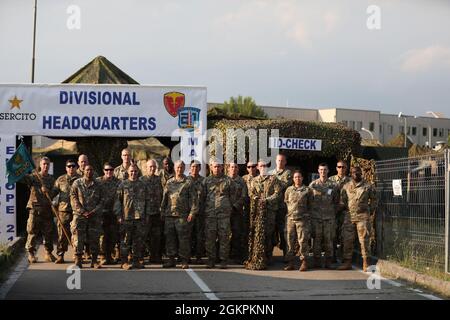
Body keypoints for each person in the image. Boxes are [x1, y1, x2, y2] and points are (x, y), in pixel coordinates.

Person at [338, 166, 377, 272]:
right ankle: (347, 262)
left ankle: (365, 262)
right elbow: (343, 200)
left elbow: (374, 200)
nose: (356, 174)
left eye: (358, 172)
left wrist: (369, 210)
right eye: (354, 172)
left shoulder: (368, 186)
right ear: (351, 174)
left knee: (364, 240)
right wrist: (344, 210)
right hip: (349, 217)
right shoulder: (346, 186)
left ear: (361, 173)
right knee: (347, 240)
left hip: (363, 217)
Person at [160, 160, 198, 269]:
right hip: (169, 215)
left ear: (184, 168)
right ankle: (171, 260)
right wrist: (162, 211)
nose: (179, 169)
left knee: (183, 239)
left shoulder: (188, 182)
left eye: (181, 167)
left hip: (182, 216)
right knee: (170, 238)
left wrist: (192, 213)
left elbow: (194, 200)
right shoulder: (169, 182)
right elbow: (164, 198)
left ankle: (184, 260)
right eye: (177, 167)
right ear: (174, 168)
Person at [246, 159, 282, 270]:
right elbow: (251, 193)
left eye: (265, 165)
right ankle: (258, 255)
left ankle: (268, 256)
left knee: (269, 233)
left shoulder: (273, 179)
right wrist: (258, 199)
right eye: (261, 165)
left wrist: (267, 200)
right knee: (257, 233)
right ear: (257, 167)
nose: (263, 167)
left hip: (270, 211)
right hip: (257, 211)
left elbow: (278, 193)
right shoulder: (254, 180)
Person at [20, 157, 57, 264]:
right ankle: (31, 254)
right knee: (32, 232)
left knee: (48, 233)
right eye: (44, 164)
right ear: (40, 165)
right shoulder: (33, 177)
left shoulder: (51, 179)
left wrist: (47, 191)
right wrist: (18, 170)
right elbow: (21, 179)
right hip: (34, 209)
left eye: (47, 164)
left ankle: (48, 253)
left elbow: (54, 193)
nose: (46, 166)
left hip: (46, 210)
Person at [114, 164, 150, 270]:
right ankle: (124, 262)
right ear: (128, 172)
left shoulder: (143, 185)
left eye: (135, 171)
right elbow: (117, 201)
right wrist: (118, 215)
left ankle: (136, 261)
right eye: (131, 171)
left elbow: (147, 200)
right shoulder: (123, 185)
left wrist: (146, 215)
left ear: (138, 172)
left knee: (138, 241)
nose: (133, 173)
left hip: (139, 218)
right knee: (125, 241)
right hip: (126, 218)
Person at [203, 159, 236, 269]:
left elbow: (233, 196)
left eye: (219, 166)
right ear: (211, 167)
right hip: (210, 215)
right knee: (210, 238)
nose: (217, 168)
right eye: (215, 166)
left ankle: (223, 260)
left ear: (222, 167)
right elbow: (202, 197)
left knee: (224, 238)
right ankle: (211, 260)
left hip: (224, 215)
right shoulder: (206, 181)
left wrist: (228, 208)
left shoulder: (228, 181)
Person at [70, 164, 103, 269]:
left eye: (91, 170)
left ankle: (94, 261)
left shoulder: (98, 184)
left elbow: (102, 200)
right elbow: (73, 197)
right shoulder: (77, 183)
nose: (89, 172)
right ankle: (78, 260)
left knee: (94, 238)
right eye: (87, 170)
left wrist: (94, 211)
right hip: (80, 215)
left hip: (94, 216)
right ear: (83, 171)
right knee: (78, 238)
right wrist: (82, 211)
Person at [309, 163, 339, 269]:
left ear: (328, 171)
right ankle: (317, 261)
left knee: (328, 240)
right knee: (316, 240)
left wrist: (332, 213)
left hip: (329, 218)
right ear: (318, 171)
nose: (323, 172)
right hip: (316, 218)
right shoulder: (313, 185)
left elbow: (337, 201)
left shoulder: (333, 185)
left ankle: (328, 262)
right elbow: (309, 200)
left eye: (325, 170)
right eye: (321, 170)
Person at [284, 170, 312, 271]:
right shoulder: (288, 190)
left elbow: (310, 204)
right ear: (293, 179)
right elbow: (286, 202)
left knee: (303, 241)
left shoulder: (307, 190)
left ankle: (304, 262)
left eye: (299, 177)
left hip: (302, 220)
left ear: (302, 178)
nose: (297, 179)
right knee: (289, 241)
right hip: (290, 219)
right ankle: (290, 262)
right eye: (295, 177)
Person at [53, 159, 81, 264]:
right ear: (66, 168)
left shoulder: (80, 179)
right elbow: (53, 192)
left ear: (76, 167)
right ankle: (60, 255)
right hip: (63, 211)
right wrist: (46, 192)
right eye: (69, 166)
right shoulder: (60, 180)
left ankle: (76, 254)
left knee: (76, 233)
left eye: (73, 166)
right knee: (62, 234)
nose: (71, 168)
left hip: (76, 211)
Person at [96, 162, 121, 265]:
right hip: (101, 213)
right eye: (107, 170)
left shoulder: (118, 182)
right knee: (102, 236)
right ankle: (102, 256)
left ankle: (109, 256)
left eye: (111, 170)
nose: (109, 172)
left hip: (113, 213)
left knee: (112, 236)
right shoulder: (98, 182)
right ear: (103, 171)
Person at [140, 159, 163, 264]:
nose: (152, 169)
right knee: (143, 236)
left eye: (154, 167)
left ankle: (155, 256)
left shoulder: (160, 180)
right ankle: (140, 257)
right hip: (146, 213)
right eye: (150, 167)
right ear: (146, 168)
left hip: (157, 213)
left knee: (156, 236)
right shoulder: (141, 180)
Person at [270, 154, 293, 259]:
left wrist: (274, 182)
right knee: (270, 230)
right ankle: (269, 254)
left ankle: (286, 255)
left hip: (282, 207)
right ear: (275, 161)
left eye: (282, 160)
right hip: (271, 206)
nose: (280, 162)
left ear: (285, 162)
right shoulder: (271, 173)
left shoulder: (287, 173)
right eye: (278, 160)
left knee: (283, 231)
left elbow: (284, 185)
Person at [329, 160, 351, 263]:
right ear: (336, 168)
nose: (341, 169)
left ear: (346, 168)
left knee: (344, 235)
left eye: (343, 167)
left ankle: (342, 255)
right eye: (339, 167)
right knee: (332, 234)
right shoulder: (330, 180)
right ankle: (332, 255)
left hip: (346, 212)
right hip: (333, 211)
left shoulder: (351, 181)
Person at [227, 162, 248, 264]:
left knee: (236, 233)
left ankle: (235, 255)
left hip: (236, 212)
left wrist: (235, 206)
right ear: (228, 169)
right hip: (224, 212)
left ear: (238, 169)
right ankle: (224, 255)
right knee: (223, 234)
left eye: (235, 167)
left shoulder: (242, 181)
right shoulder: (224, 180)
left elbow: (244, 196)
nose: (233, 169)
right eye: (232, 167)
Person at [187, 160, 206, 264]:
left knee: (199, 236)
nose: (195, 169)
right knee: (188, 235)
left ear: (199, 168)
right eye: (193, 167)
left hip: (201, 213)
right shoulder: (186, 180)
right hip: (188, 213)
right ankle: (187, 256)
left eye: (197, 167)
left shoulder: (204, 181)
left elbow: (207, 196)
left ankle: (199, 257)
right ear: (190, 168)